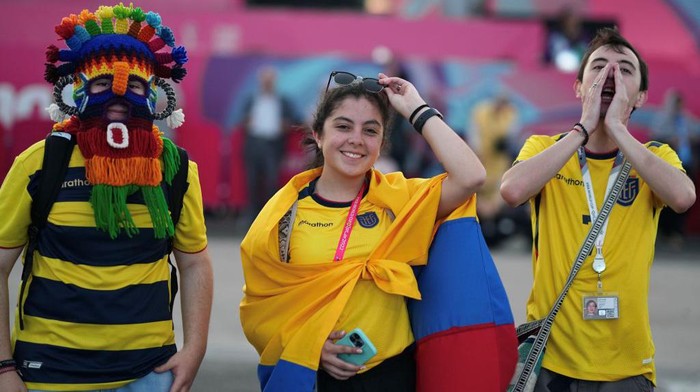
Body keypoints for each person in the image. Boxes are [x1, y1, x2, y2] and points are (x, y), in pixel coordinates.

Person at [240, 71, 516, 391]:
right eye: (343, 126)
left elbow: (471, 176)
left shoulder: (399, 200)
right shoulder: (284, 215)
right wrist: (308, 345)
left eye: (370, 130)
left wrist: (416, 108)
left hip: (393, 375)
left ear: (382, 143)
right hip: (314, 376)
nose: (356, 139)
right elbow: (261, 308)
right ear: (318, 134)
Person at [0, 4, 213, 391]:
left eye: (133, 85)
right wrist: (2, 368)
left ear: (152, 93)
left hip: (149, 374)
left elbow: (195, 265)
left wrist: (195, 348)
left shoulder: (177, 169)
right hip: (48, 375)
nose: (118, 95)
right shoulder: (39, 164)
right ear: (78, 89)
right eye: (101, 84)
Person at [500, 27, 696, 391]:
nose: (610, 75)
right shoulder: (546, 147)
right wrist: (584, 128)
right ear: (578, 88)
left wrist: (618, 129)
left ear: (640, 96)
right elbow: (511, 190)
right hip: (552, 358)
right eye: (599, 66)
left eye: (625, 70)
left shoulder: (654, 156)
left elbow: (683, 197)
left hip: (627, 364)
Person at [241, 66, 297, 222]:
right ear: (259, 81)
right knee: (252, 182)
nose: (267, 83)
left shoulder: (283, 101)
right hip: (253, 143)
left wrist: (285, 124)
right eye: (265, 80)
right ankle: (252, 217)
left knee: (272, 181)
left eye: (270, 80)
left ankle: (270, 216)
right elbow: (241, 118)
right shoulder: (251, 99)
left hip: (273, 145)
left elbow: (294, 119)